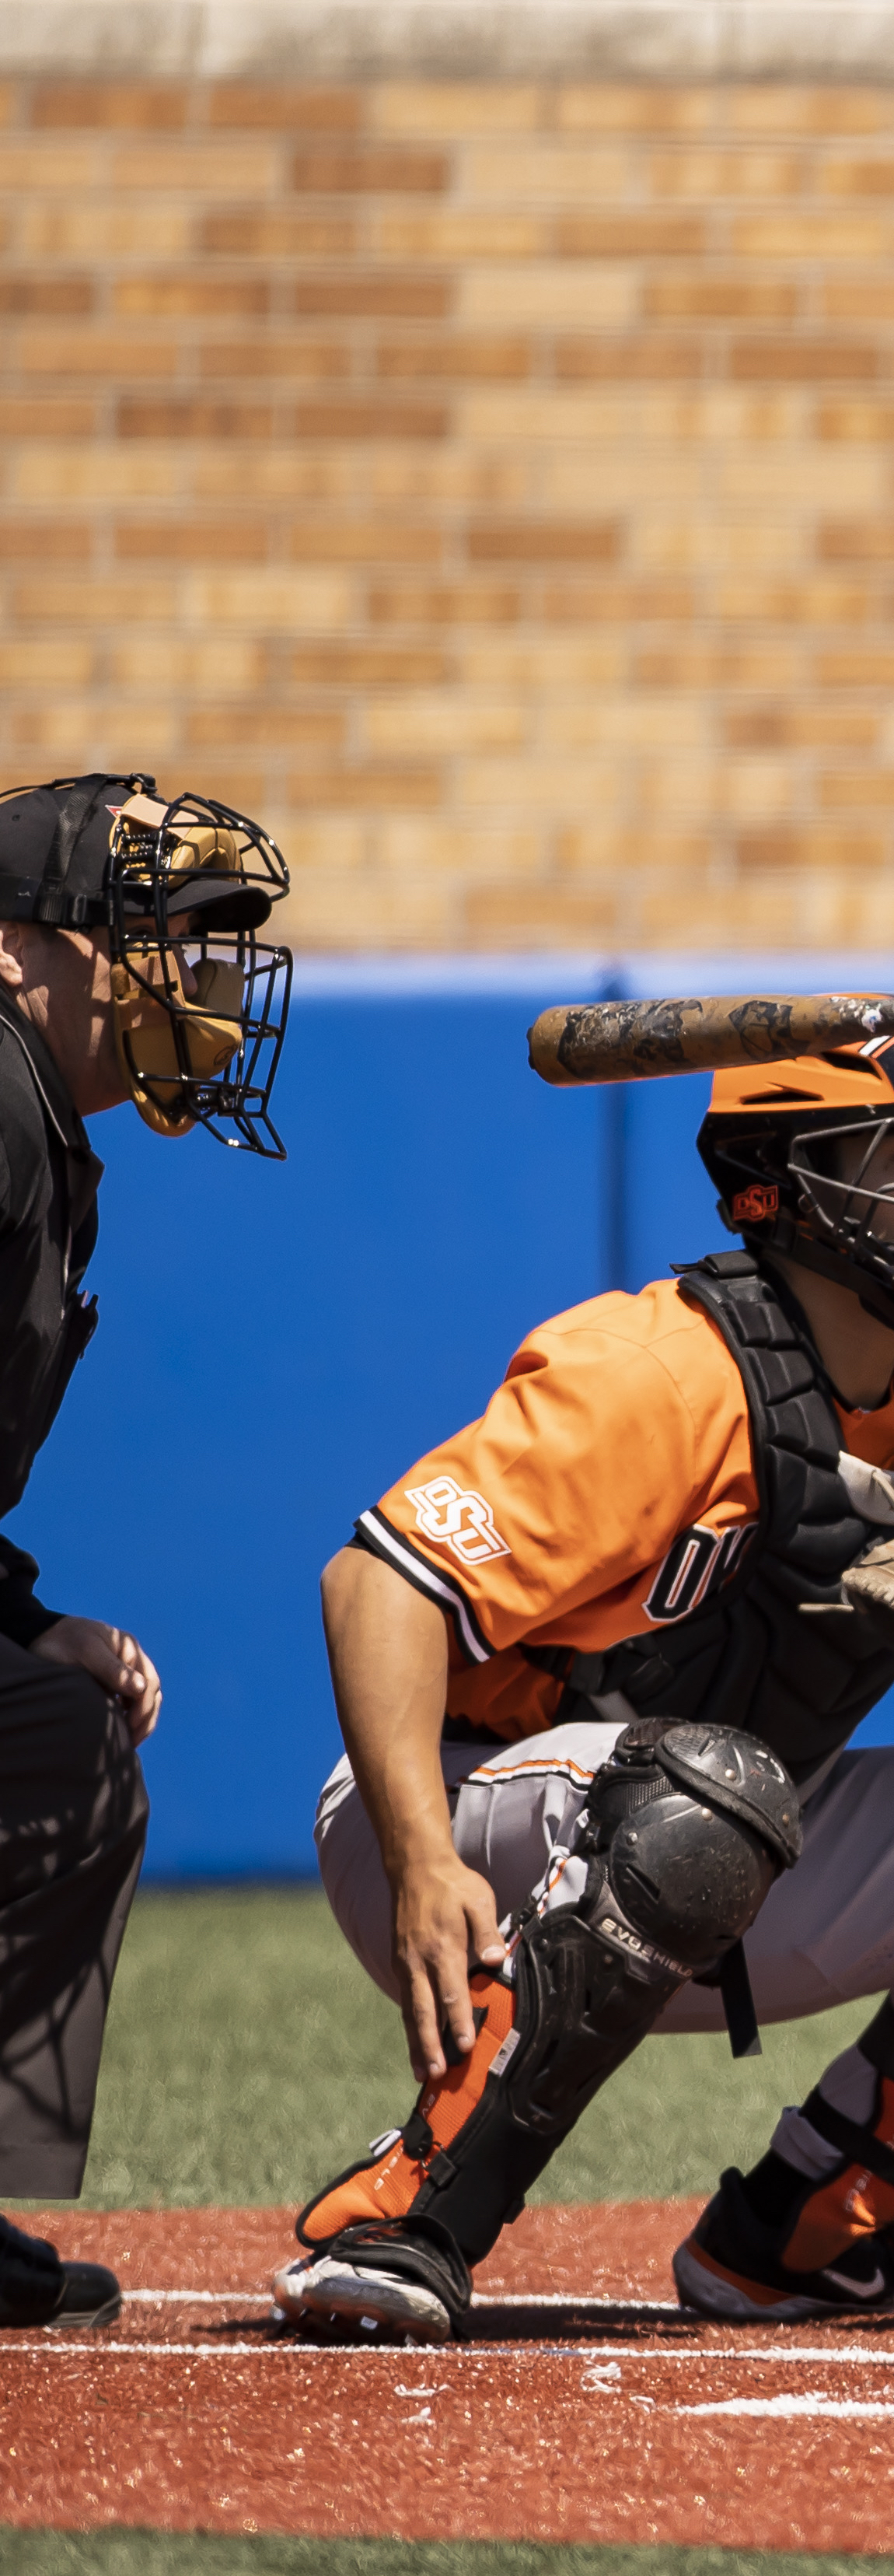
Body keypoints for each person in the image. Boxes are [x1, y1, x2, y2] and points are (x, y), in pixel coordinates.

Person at [267, 1028, 894, 2346]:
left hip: (726, 1838)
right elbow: (376, 1583)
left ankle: (804, 2237)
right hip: (457, 1824)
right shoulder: (659, 1373)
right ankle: (408, 2216)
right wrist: (423, 1860)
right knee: (709, 1793)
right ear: (790, 1186)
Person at [0, 775, 294, 2335]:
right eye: (159, 933)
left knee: (56, 1735)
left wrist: (21, 1619)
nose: (203, 976)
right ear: (13, 951)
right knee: (50, 1750)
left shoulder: (34, 1123)